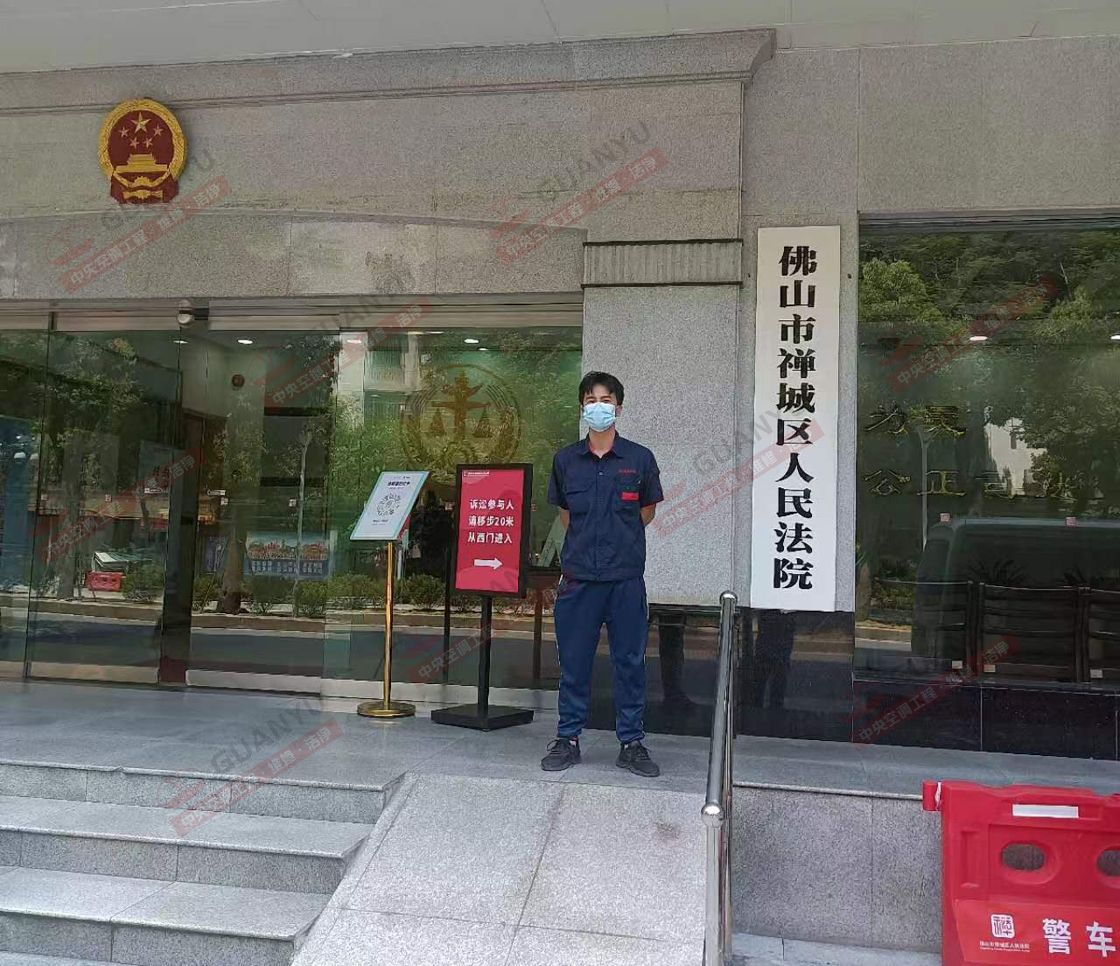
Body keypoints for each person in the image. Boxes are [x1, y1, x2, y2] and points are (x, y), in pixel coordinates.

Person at [541, 371, 664, 777]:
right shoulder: (565, 461)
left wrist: (616, 539)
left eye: (606, 400)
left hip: (625, 578)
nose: (599, 407)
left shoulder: (639, 459)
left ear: (619, 408)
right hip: (578, 580)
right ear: (582, 408)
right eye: (591, 400)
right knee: (574, 662)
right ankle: (568, 738)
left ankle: (631, 742)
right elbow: (566, 515)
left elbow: (647, 511)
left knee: (629, 662)